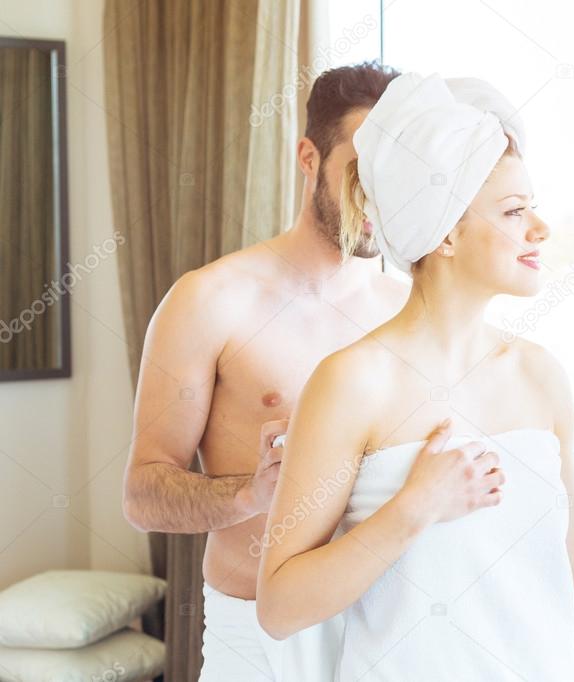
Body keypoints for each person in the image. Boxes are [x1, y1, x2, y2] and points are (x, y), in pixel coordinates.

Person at [256, 71, 574, 681]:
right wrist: (414, 508)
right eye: (513, 210)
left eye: (533, 207)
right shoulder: (352, 383)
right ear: (446, 232)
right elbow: (279, 607)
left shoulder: (540, 377)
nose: (540, 229)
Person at [121, 62, 497, 681]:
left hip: (389, 628)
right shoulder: (211, 300)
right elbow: (142, 494)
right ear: (307, 157)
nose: (379, 192)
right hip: (259, 638)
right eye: (361, 168)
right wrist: (249, 493)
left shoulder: (407, 309)